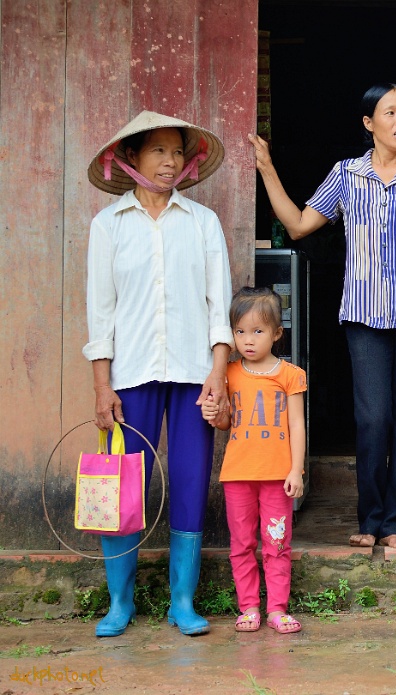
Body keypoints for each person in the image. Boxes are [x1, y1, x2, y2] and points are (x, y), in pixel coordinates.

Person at [248, 82, 396, 550]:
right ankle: (368, 520)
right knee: (372, 419)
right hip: (364, 315)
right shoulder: (346, 175)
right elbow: (298, 224)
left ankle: (394, 524)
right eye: (390, 113)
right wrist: (267, 169)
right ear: (369, 124)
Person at [84, 110, 232, 636]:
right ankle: (119, 603)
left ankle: (183, 602)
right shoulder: (109, 226)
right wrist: (102, 384)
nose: (171, 162)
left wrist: (218, 373)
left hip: (195, 373)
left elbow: (220, 306)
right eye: (159, 151)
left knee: (191, 483)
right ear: (131, 158)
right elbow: (100, 313)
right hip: (130, 375)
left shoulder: (202, 222)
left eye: (177, 152)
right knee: (124, 488)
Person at [202, 286, 306, 634]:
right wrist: (215, 415)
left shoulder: (290, 375)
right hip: (238, 475)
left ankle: (276, 609)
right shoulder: (228, 373)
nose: (248, 340)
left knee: (276, 544)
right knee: (242, 544)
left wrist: (296, 469)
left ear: (277, 333)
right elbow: (226, 421)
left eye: (258, 331)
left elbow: (296, 424)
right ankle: (249, 607)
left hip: (278, 476)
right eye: (240, 332)